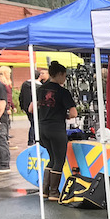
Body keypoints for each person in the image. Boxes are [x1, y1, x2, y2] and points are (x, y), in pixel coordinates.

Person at [36, 62, 78, 201]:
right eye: (65, 76)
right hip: (56, 128)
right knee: (59, 160)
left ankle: (45, 190)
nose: (65, 79)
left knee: (52, 159)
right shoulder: (62, 92)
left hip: (42, 128)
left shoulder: (41, 89)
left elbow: (31, 108)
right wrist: (64, 115)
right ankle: (54, 192)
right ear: (59, 74)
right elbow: (74, 113)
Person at [21, 66, 48, 146]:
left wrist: (22, 106)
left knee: (33, 123)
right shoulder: (39, 86)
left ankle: (32, 140)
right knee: (35, 124)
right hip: (36, 108)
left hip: (27, 107)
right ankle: (33, 140)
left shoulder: (25, 84)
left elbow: (21, 96)